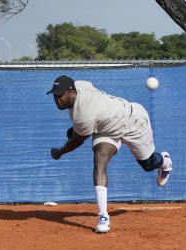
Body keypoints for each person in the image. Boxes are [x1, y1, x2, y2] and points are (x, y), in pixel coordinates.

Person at [48, 75, 172, 234]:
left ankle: (164, 161)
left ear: (72, 92)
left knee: (148, 164)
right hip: (106, 131)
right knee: (99, 161)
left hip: (132, 121)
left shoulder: (82, 114)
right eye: (55, 95)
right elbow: (91, 85)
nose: (57, 99)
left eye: (60, 95)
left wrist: (60, 152)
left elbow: (77, 141)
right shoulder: (80, 84)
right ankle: (103, 217)